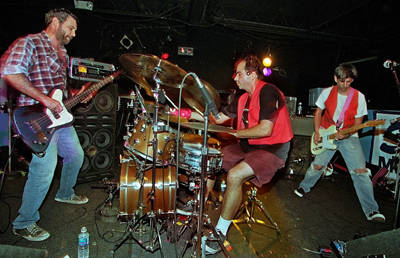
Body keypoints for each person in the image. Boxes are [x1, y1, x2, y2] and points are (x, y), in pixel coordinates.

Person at [0, 8, 88, 241]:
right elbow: (10, 72)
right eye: (71, 28)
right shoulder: (30, 43)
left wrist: (77, 95)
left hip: (60, 119)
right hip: (36, 119)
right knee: (44, 170)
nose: (74, 33)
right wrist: (44, 99)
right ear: (56, 23)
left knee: (76, 156)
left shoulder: (63, 54)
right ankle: (24, 222)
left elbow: (59, 91)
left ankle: (65, 193)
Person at [205, 54, 293, 254]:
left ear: (251, 74)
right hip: (250, 145)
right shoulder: (242, 97)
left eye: (238, 73)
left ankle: (220, 231)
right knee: (211, 159)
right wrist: (183, 113)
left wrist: (235, 133)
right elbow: (217, 118)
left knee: (235, 175)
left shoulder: (269, 92)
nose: (234, 78)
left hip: (273, 149)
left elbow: (265, 130)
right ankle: (201, 209)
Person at [294, 64, 385, 223]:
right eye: (342, 81)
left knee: (360, 172)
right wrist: (317, 131)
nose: (345, 85)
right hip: (326, 133)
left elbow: (358, 122)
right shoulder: (326, 92)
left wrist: (346, 133)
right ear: (336, 78)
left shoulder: (359, 97)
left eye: (349, 82)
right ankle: (304, 186)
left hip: (349, 136)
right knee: (317, 166)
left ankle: (372, 210)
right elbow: (318, 112)